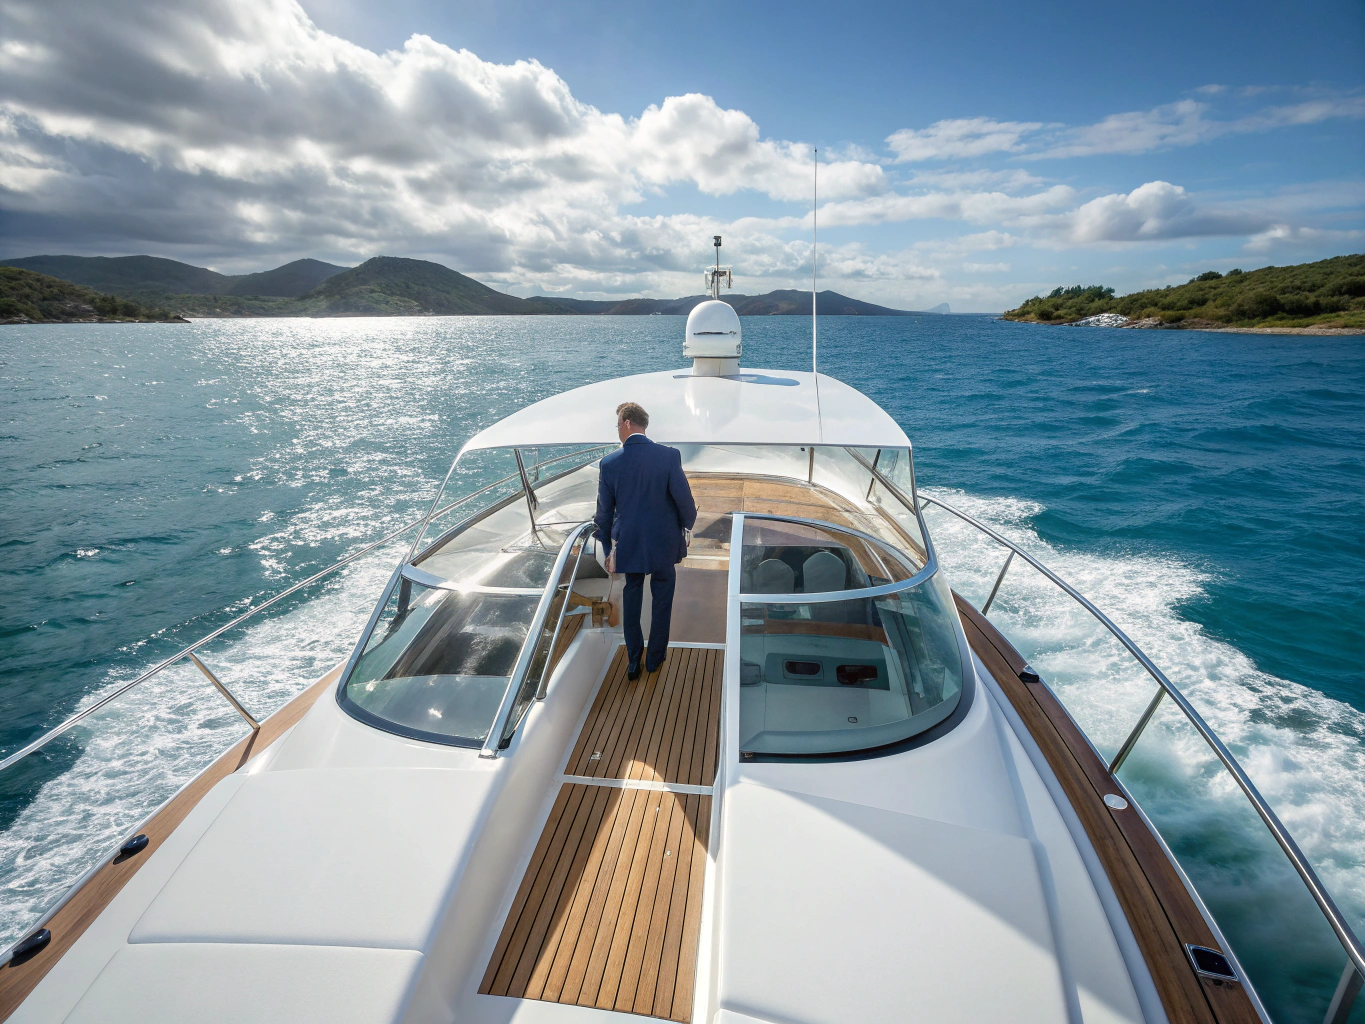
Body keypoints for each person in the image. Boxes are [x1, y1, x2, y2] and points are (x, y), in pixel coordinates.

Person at [593, 402, 697, 680]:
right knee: (663, 601)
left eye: (617, 425)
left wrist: (607, 549)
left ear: (626, 423)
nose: (617, 430)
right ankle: (655, 659)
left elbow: (603, 515)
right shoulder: (668, 456)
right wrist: (686, 529)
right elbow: (686, 504)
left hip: (630, 544)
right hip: (664, 543)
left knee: (632, 597)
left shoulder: (609, 463)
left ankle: (633, 660)